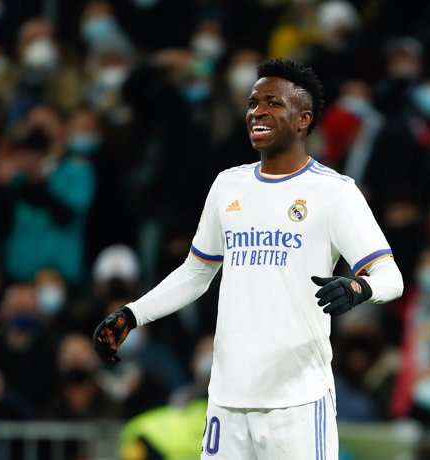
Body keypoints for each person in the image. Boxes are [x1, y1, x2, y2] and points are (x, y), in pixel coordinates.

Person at [94, 59, 404, 459]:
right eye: (254, 102)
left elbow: (390, 275)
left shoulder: (336, 192)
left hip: (297, 401)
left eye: (273, 103)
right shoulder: (228, 185)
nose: (257, 111)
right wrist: (133, 315)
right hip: (227, 399)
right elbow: (196, 272)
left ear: (303, 119)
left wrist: (361, 287)